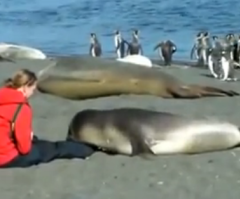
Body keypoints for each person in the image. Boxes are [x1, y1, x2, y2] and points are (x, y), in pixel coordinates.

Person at [0, 69, 95, 168]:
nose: (32, 93)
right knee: (52, 149)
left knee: (37, 142)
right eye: (32, 89)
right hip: (6, 158)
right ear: (25, 87)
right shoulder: (21, 108)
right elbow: (24, 149)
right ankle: (85, 150)